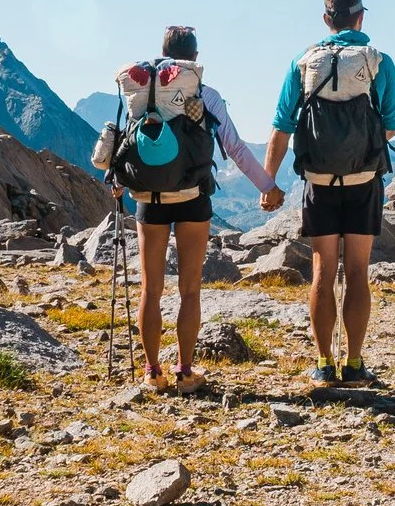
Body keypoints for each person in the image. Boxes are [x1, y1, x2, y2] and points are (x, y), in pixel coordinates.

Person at [112, 26, 281, 394]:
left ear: (163, 54)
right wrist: (268, 187)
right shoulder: (206, 94)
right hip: (193, 196)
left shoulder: (141, 95)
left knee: (150, 289)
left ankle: (152, 372)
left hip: (149, 200)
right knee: (190, 290)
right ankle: (185, 372)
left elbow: (127, 143)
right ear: (195, 58)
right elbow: (234, 147)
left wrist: (119, 182)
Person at [264, 0, 395, 386]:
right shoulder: (378, 61)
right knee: (358, 272)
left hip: (319, 182)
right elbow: (391, 125)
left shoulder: (304, 62)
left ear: (327, 19)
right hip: (363, 179)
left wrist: (268, 182)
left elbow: (281, 128)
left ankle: (324, 364)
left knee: (323, 270)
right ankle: (355, 364)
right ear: (361, 17)